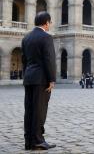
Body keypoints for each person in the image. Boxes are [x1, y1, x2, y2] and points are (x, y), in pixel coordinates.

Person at [22, 11, 56, 150]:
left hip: (29, 78)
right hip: (41, 79)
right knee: (39, 110)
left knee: (29, 110)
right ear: (46, 22)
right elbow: (49, 60)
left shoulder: (26, 37)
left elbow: (24, 61)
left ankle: (29, 141)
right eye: (50, 22)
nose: (50, 25)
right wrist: (52, 80)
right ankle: (37, 141)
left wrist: (26, 76)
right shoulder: (46, 37)